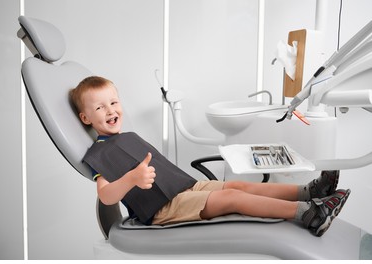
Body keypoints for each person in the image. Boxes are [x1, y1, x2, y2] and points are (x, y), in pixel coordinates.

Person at [69, 76, 350, 237]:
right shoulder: (99, 154)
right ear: (85, 117)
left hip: (186, 188)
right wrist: (131, 178)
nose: (109, 110)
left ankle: (308, 191)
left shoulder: (127, 137)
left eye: (113, 102)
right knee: (232, 198)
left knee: (239, 185)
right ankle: (309, 214)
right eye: (99, 107)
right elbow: (106, 197)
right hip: (163, 209)